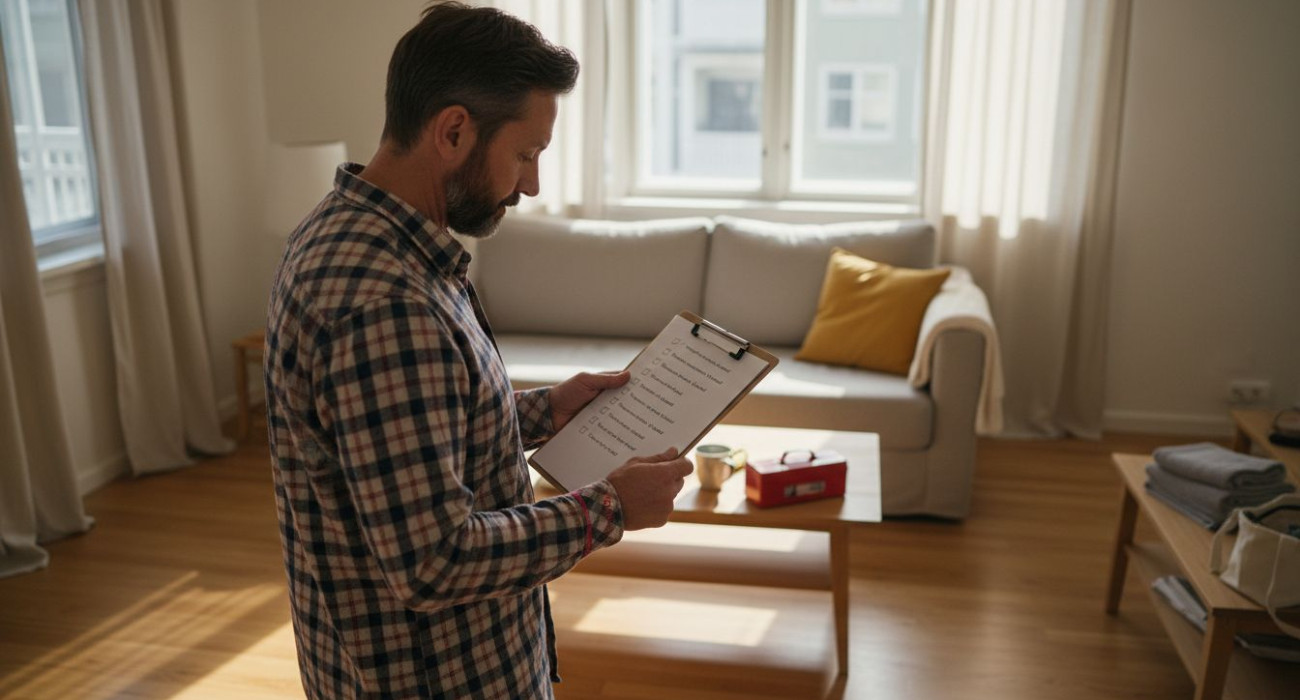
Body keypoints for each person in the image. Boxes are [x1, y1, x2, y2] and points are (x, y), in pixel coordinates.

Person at [262, 3, 692, 698]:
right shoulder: (385, 301)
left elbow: (406, 446)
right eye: (525, 155)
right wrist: (610, 507)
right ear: (455, 130)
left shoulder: (351, 234)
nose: (531, 185)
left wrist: (546, 409)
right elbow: (436, 560)